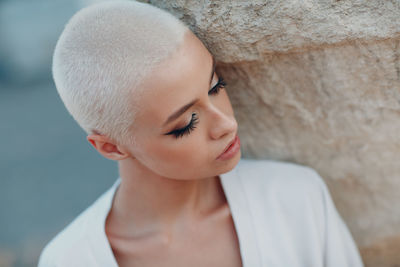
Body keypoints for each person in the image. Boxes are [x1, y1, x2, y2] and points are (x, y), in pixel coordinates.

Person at [38, 1, 365, 266]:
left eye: (215, 86)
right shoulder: (70, 258)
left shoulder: (297, 199)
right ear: (110, 147)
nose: (226, 124)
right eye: (186, 124)